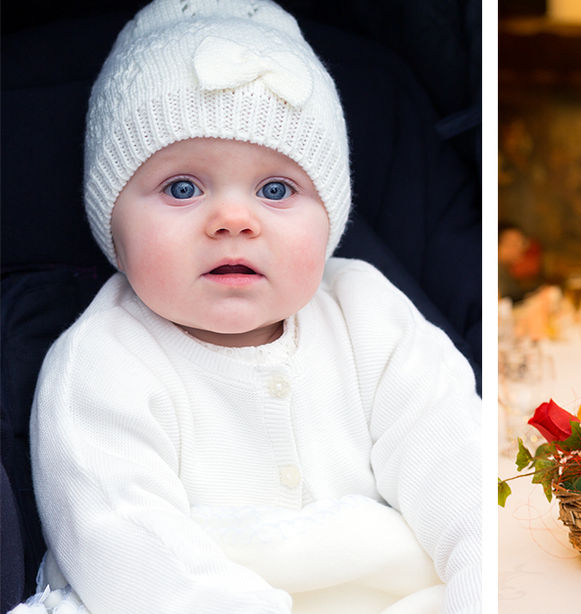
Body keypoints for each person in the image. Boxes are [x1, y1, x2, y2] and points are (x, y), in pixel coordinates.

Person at [23, 1, 480, 612]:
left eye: (275, 190)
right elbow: (128, 554)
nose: (234, 220)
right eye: (182, 188)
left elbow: (459, 469)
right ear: (112, 221)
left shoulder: (370, 314)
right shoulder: (100, 363)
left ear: (330, 221)